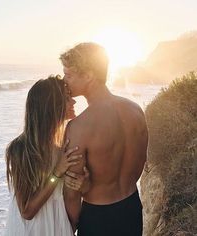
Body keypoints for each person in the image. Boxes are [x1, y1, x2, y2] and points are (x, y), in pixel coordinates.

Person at [60, 42, 148, 235]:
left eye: (68, 75)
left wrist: (70, 227)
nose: (64, 81)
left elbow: (72, 193)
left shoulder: (79, 127)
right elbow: (140, 162)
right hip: (132, 207)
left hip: (98, 217)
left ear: (89, 75)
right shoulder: (136, 110)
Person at [5, 75, 89, 236]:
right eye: (67, 99)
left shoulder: (63, 148)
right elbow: (27, 211)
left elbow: (71, 195)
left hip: (58, 224)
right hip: (31, 230)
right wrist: (57, 173)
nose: (74, 102)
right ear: (51, 106)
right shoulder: (21, 149)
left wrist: (84, 184)